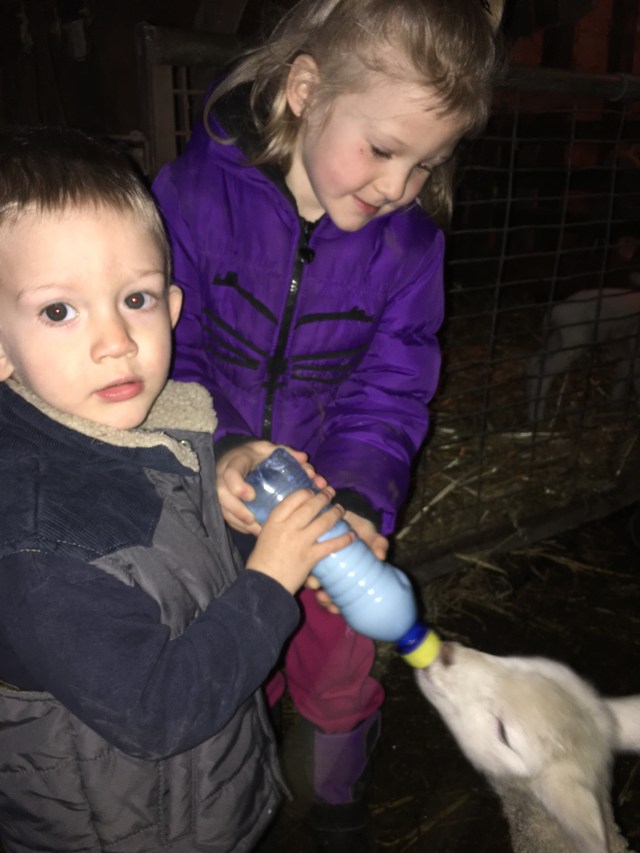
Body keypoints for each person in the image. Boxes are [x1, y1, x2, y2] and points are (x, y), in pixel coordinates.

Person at [152, 1, 505, 848]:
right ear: (306, 89)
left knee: (341, 664)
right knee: (239, 660)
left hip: (335, 509)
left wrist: (355, 498)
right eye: (384, 150)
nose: (398, 188)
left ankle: (338, 808)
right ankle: (247, 798)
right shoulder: (189, 199)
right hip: (215, 495)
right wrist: (223, 449)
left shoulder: (409, 248)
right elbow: (173, 348)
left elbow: (392, 389)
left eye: (428, 164)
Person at [0, 126, 355, 853]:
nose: (115, 341)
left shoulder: (154, 422)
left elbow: (180, 565)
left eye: (135, 297)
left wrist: (234, 476)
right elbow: (157, 712)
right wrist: (270, 579)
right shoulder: (39, 540)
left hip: (202, 802)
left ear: (172, 304)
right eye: (59, 310)